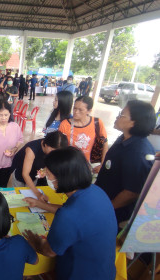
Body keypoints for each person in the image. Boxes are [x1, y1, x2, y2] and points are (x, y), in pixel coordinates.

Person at [23, 147, 117, 280]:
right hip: (104, 271)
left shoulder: (68, 216)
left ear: (61, 177)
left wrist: (35, 241)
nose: (47, 176)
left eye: (48, 173)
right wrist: (39, 204)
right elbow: (72, 211)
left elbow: (49, 251)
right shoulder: (96, 191)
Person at [96, 100, 156, 226]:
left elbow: (131, 192)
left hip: (114, 213)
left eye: (121, 115)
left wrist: (105, 208)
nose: (117, 117)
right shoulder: (123, 139)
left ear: (133, 122)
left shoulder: (138, 152)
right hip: (102, 200)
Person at [11, 131, 68, 201]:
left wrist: (44, 171)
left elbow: (48, 164)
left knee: (30, 195)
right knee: (19, 196)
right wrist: (37, 193)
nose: (55, 154)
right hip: (20, 174)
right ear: (46, 145)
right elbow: (25, 174)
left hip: (34, 175)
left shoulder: (54, 151)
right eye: (53, 150)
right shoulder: (32, 149)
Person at [58, 96, 108, 170]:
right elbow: (58, 146)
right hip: (68, 165)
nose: (76, 112)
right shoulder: (65, 124)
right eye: (74, 108)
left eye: (80, 110)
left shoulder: (97, 123)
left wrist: (102, 164)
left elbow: (104, 143)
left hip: (86, 166)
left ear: (89, 111)